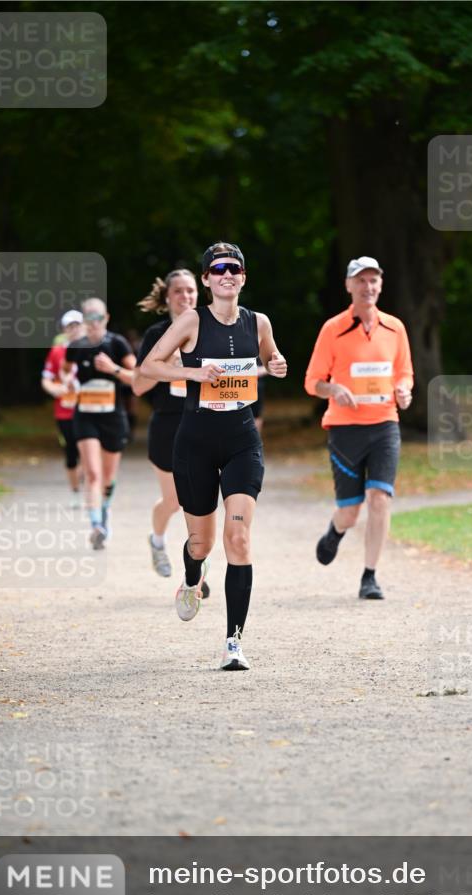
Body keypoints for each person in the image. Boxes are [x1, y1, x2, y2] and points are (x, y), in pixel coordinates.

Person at [139, 242, 287, 670]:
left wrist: (276, 363)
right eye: (218, 269)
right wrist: (193, 373)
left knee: (238, 539)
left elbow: (271, 354)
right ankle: (191, 576)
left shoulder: (258, 322)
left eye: (234, 269)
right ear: (206, 279)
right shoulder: (191, 321)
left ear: (243, 277)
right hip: (195, 440)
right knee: (201, 543)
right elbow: (149, 366)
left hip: (242, 438)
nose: (227, 275)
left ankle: (233, 644)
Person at [304, 256, 413, 600]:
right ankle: (335, 532)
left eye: (374, 281)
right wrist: (333, 389)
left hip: (384, 425)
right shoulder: (332, 329)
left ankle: (370, 576)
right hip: (345, 428)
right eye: (361, 281)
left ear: (381, 285)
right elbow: (312, 382)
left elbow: (405, 372)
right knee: (350, 511)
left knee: (379, 498)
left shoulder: (395, 328)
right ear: (349, 285)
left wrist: (405, 391)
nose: (368, 287)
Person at [133, 268, 209, 591]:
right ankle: (157, 539)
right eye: (178, 291)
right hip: (167, 426)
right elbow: (137, 386)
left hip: (203, 423)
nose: (186, 297)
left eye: (190, 290)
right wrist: (170, 367)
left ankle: (198, 570)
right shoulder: (156, 335)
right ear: (167, 297)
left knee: (201, 502)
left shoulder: (209, 330)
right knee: (176, 501)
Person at [61, 298, 136, 549]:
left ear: (106, 318)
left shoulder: (117, 343)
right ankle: (95, 525)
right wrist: (69, 382)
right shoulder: (76, 345)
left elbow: (137, 377)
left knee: (107, 477)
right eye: (89, 318)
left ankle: (104, 512)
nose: (94, 323)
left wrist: (113, 368)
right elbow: (65, 370)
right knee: (92, 473)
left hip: (113, 417)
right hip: (86, 415)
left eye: (98, 318)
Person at [41, 310, 83, 505]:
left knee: (90, 448)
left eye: (77, 325)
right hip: (65, 409)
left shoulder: (94, 348)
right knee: (71, 450)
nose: (74, 329)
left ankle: (89, 485)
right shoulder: (57, 351)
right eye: (70, 326)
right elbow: (46, 380)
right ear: (65, 329)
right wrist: (55, 389)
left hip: (89, 407)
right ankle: (75, 492)